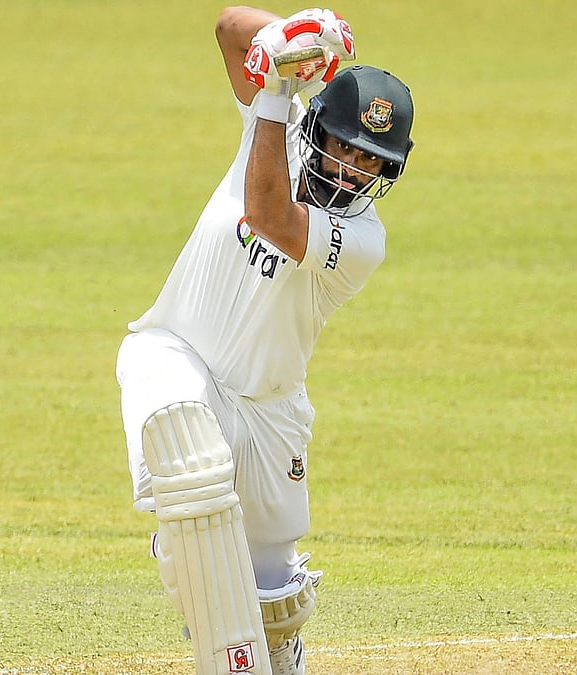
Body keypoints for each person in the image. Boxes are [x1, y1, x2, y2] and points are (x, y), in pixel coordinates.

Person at [115, 6, 414, 674]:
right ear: (320, 128)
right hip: (176, 352)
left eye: (373, 162)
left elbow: (270, 214)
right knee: (191, 474)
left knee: (276, 600)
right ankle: (214, 622)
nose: (354, 169)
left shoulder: (362, 240)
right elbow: (228, 29)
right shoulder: (274, 123)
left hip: (272, 404)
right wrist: (295, 38)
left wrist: (277, 89)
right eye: (345, 145)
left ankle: (275, 649)